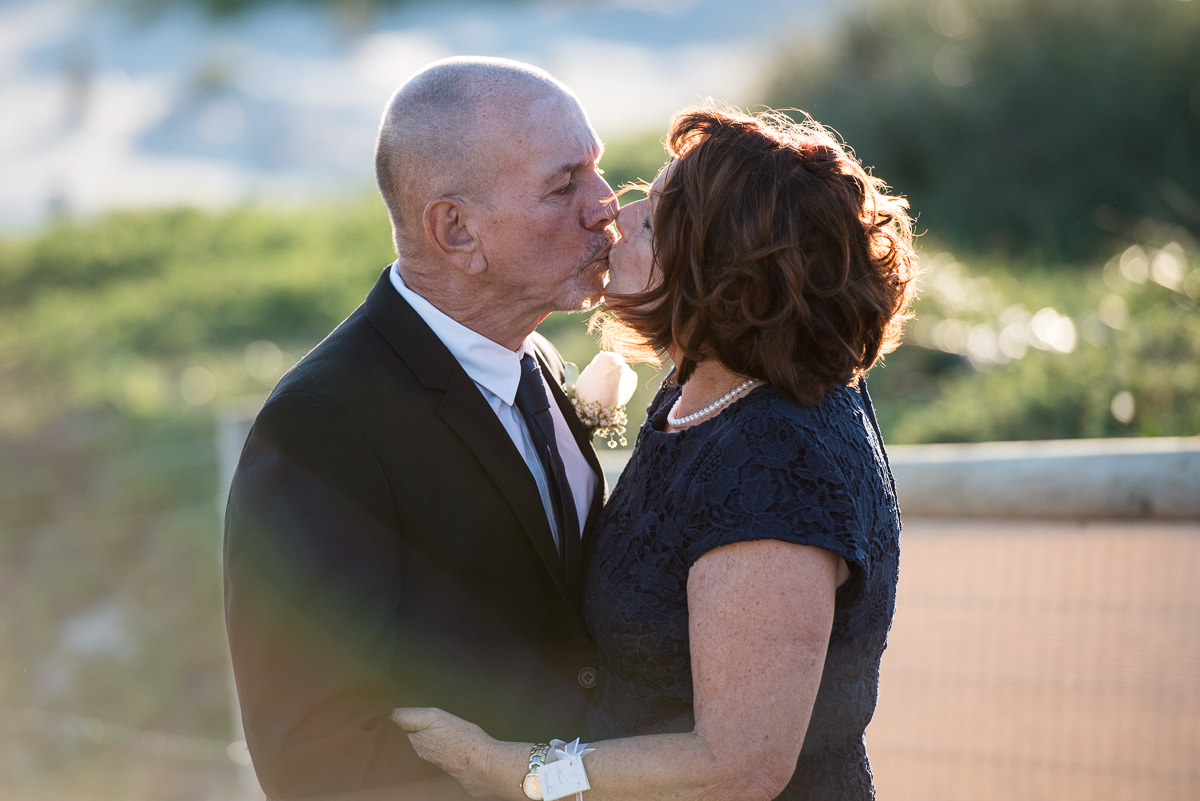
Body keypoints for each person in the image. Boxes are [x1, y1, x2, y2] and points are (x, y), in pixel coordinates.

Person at [391, 104, 918, 801]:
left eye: (655, 215)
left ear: (718, 269)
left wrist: (514, 770)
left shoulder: (774, 460)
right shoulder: (710, 382)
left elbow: (741, 765)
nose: (620, 213)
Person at [223, 56, 618, 800]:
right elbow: (315, 756)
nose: (605, 205)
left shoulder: (540, 363)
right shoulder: (323, 425)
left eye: (596, 170)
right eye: (563, 185)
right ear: (456, 229)